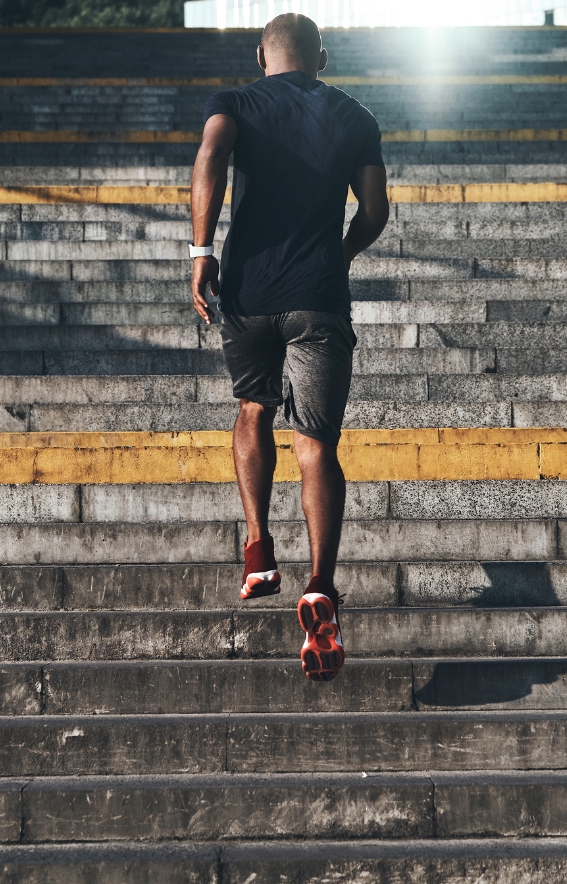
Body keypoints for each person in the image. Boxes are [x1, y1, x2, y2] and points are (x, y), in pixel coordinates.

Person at [188, 13, 389, 681]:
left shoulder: (235, 102)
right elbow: (375, 210)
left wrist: (201, 251)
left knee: (252, 410)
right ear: (322, 58)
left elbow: (212, 154)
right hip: (318, 298)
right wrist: (339, 254)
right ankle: (320, 586)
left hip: (248, 294)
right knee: (315, 446)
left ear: (260, 56)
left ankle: (257, 551)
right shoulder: (355, 115)